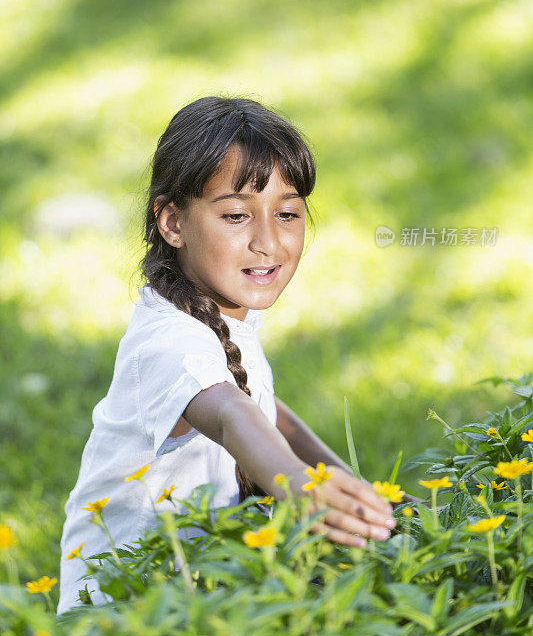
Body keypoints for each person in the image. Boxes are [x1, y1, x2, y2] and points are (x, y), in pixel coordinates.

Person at [57, 95, 397, 615]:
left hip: (198, 594)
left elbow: (263, 409)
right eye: (236, 215)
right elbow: (232, 413)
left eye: (287, 213)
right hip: (122, 614)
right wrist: (297, 483)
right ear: (172, 222)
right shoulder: (171, 341)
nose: (268, 241)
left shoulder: (220, 311)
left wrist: (353, 488)